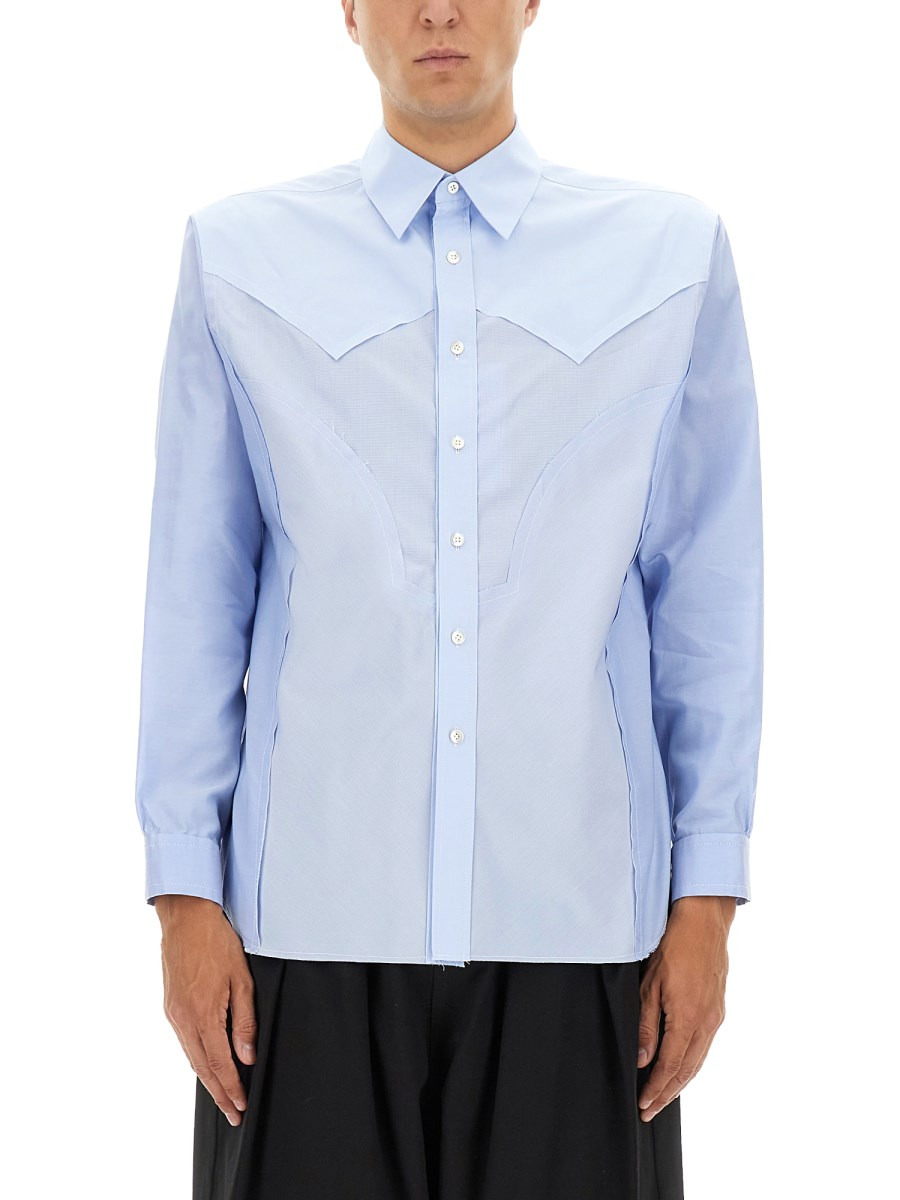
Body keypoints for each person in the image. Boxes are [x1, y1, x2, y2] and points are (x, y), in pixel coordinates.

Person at [134, 2, 764, 1197]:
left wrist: (708, 900)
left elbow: (710, 595)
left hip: (584, 925)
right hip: (302, 929)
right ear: (346, 9)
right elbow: (196, 589)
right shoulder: (241, 256)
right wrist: (183, 894)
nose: (438, 10)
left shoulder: (670, 256)